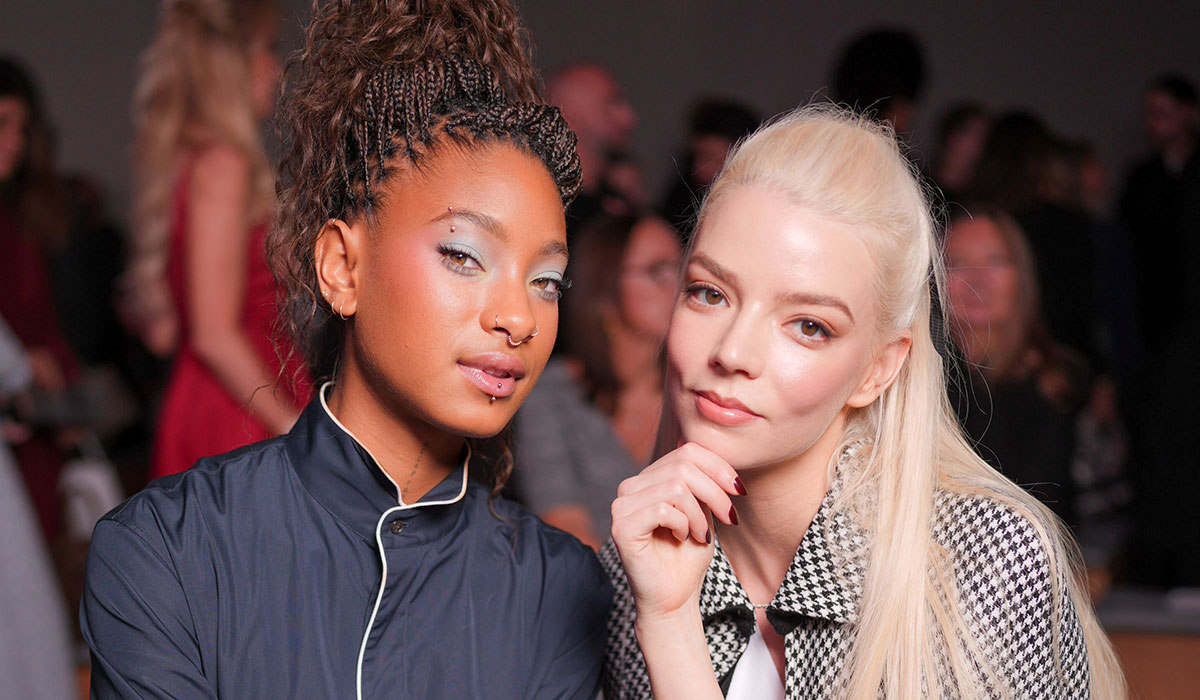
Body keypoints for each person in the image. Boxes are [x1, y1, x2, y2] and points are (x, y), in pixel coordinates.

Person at [82, 1, 611, 698]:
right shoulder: (167, 549)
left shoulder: (561, 591)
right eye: (462, 254)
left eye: (546, 280)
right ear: (341, 267)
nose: (518, 316)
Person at [602, 106, 1124, 699]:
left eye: (807, 325)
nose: (732, 352)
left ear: (877, 369)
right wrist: (666, 622)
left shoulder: (985, 568)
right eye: (709, 293)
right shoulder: (636, 562)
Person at [125, 0, 309, 479]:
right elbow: (212, 333)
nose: (275, 67)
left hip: (228, 396)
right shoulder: (221, 166)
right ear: (234, 65)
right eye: (267, 49)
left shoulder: (193, 162)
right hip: (240, 412)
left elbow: (168, 331)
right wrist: (289, 423)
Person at [514, 214, 681, 549]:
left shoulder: (692, 392)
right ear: (605, 288)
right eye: (657, 270)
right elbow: (565, 529)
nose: (678, 284)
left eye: (682, 267)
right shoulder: (551, 394)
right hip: (592, 590)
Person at [0, 55, 79, 544]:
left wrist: (63, 386)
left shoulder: (20, 218)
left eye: (21, 127)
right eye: (2, 123)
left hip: (36, 421)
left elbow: (43, 319)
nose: (15, 141)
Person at [1117, 74, 1200, 355]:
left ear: (1188, 113)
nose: (1153, 123)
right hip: (1156, 318)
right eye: (1149, 115)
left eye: (1161, 114)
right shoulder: (1142, 179)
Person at [547, 62, 638, 236]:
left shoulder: (617, 204)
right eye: (613, 102)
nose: (629, 118)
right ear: (572, 111)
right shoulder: (548, 208)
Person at [660, 98, 760, 238]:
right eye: (697, 156)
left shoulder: (761, 209)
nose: (699, 169)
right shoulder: (680, 202)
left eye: (712, 159)